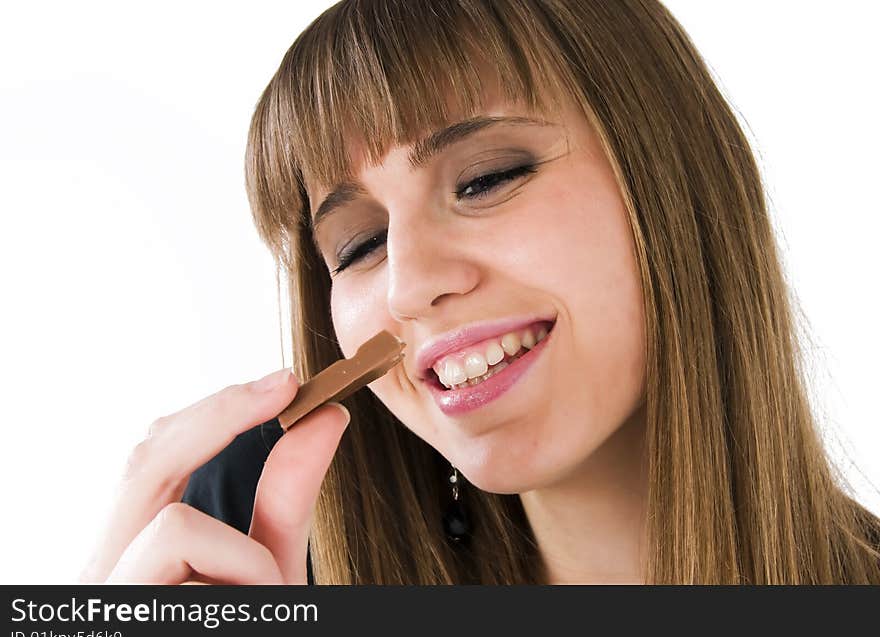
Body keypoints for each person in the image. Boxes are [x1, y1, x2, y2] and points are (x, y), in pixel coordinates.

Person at [80, 0, 880, 585]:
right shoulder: (255, 562)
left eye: (488, 178)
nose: (409, 285)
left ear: (675, 185)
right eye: (358, 245)